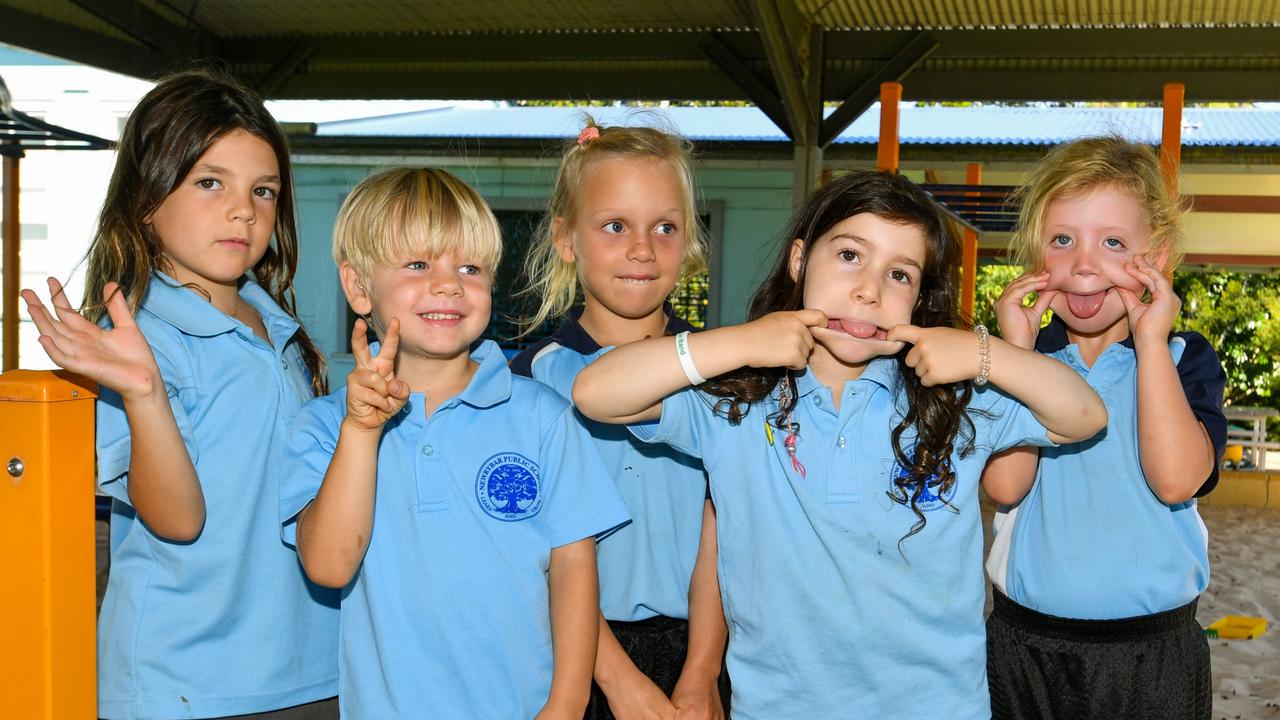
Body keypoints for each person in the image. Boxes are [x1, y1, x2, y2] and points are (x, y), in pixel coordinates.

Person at [571, 170, 1108, 719]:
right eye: (850, 256)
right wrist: (738, 341)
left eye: (899, 274)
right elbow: (595, 393)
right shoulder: (736, 399)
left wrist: (984, 355)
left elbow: (1084, 415)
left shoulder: (950, 400)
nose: (869, 290)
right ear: (800, 261)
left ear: (920, 298)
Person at [20, 70, 338, 719]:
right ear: (145, 199)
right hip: (185, 684)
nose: (244, 210)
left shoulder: (279, 326)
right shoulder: (135, 344)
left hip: (311, 667)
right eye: (209, 182)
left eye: (264, 190)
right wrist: (143, 394)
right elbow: (178, 520)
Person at [280, 167, 631, 719]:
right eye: (418, 264)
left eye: (470, 267)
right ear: (358, 288)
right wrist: (361, 433)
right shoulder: (324, 426)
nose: (449, 284)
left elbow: (573, 567)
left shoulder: (542, 415)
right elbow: (328, 567)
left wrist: (567, 703)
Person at [982, 136, 1227, 720]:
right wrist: (1015, 353)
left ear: (1157, 257)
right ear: (1035, 256)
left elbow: (1176, 482)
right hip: (1026, 645)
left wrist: (1149, 341)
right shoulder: (1022, 359)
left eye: (1112, 242)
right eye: (1062, 240)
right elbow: (1004, 487)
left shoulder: (1182, 357)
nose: (1084, 264)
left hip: (1155, 652)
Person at [511, 118, 729, 720]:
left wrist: (703, 670)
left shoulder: (723, 374)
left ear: (688, 243)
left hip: (702, 649)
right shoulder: (528, 382)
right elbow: (537, 547)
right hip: (574, 651)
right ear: (565, 238)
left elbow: (724, 527)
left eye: (665, 228)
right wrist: (618, 681)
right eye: (615, 226)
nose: (642, 249)